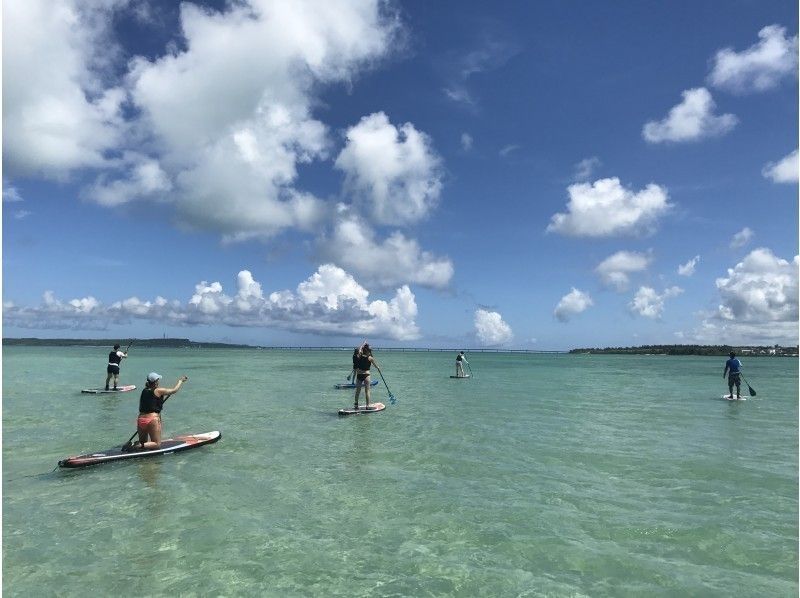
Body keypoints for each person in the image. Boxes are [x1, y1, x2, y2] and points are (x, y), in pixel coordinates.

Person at [128, 372, 189, 451]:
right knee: (156, 444)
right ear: (156, 381)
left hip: (140, 419)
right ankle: (139, 445)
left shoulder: (144, 390)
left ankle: (140, 445)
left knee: (144, 443)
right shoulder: (158, 390)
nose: (159, 381)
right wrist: (180, 381)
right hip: (152, 419)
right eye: (158, 380)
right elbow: (174, 390)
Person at [353, 342, 383, 410]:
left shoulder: (359, 355)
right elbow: (376, 366)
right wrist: (378, 368)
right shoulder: (370, 358)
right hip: (366, 375)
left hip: (359, 375)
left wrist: (363, 344)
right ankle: (367, 406)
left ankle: (356, 405)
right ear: (368, 351)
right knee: (367, 391)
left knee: (358, 391)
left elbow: (359, 349)